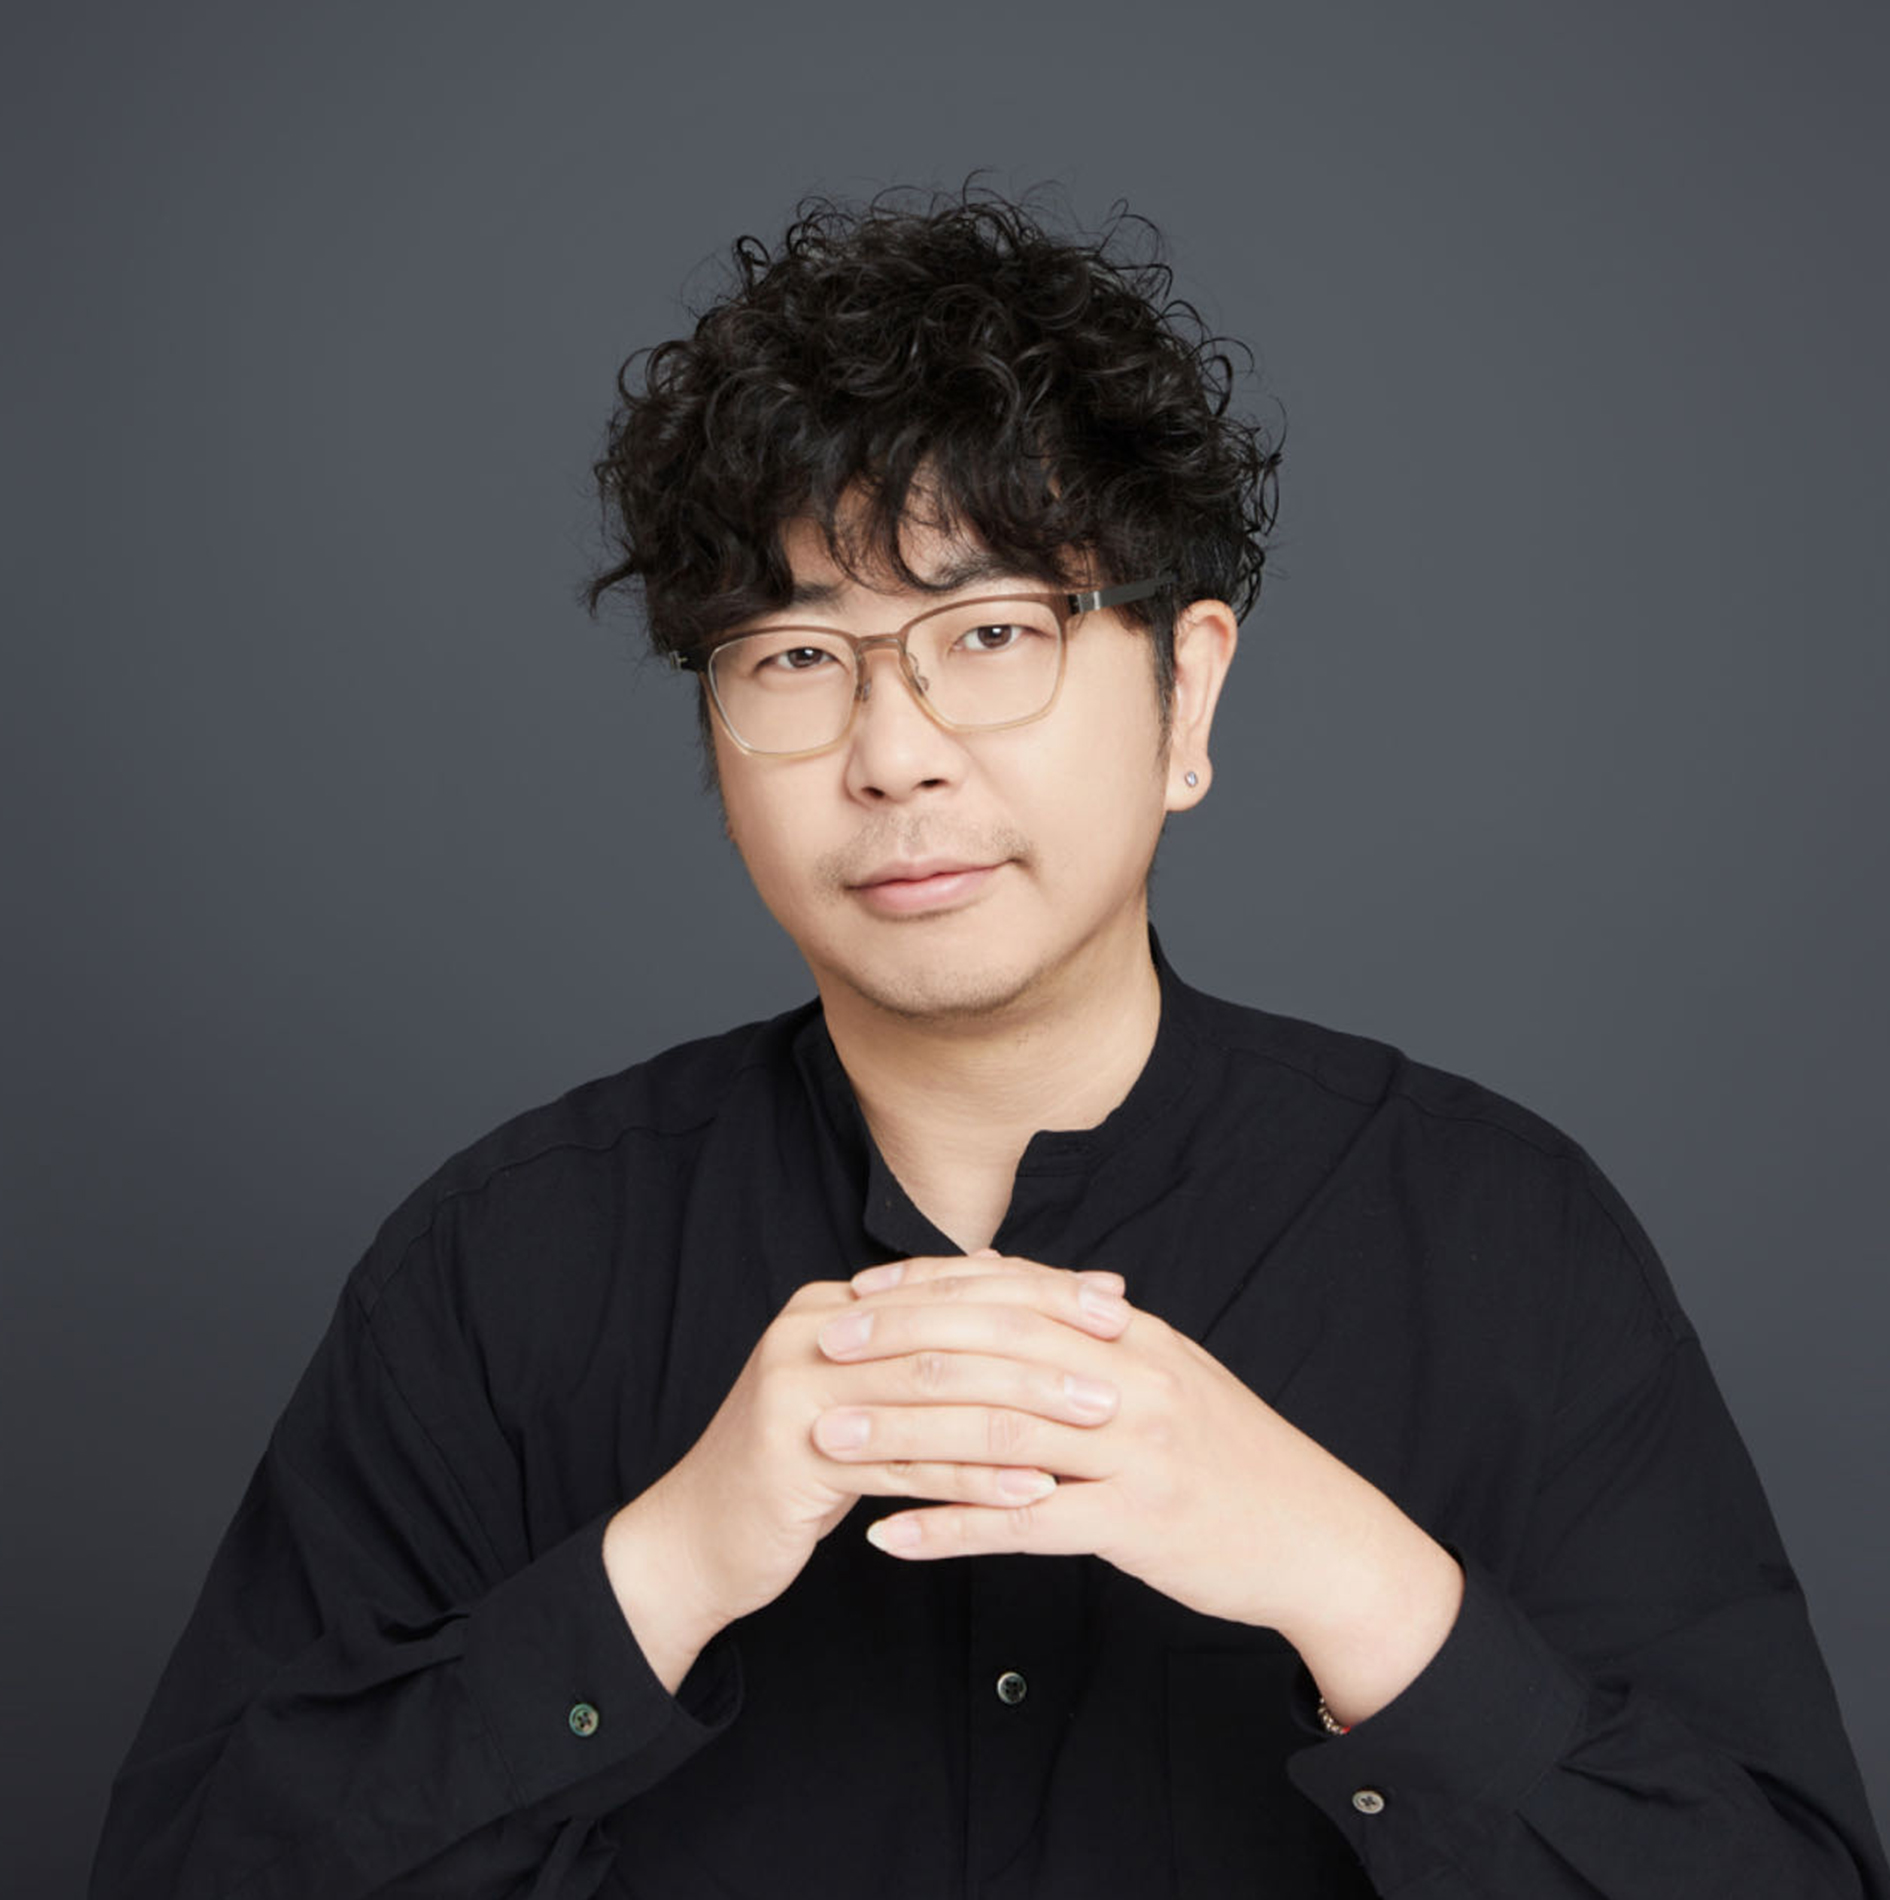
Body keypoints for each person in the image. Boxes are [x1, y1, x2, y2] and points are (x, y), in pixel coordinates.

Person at [91, 187, 1885, 1900]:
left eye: (994, 632)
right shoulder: (508, 1266)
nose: (893, 755)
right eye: (795, 658)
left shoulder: (1497, 1241)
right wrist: (664, 1567)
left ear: (1187, 692)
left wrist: (1353, 1584)